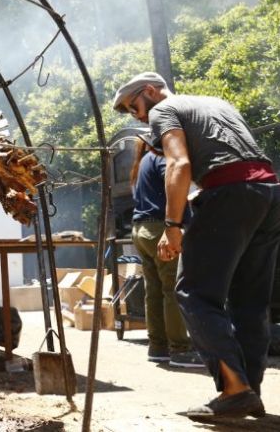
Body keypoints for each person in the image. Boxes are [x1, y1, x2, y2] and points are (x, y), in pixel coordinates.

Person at [113, 71, 280, 420]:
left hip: (231, 194)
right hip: (269, 195)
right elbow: (239, 160)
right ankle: (250, 392)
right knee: (249, 301)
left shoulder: (164, 110)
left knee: (193, 292)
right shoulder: (216, 103)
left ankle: (235, 390)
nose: (138, 116)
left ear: (149, 91)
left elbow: (180, 163)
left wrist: (172, 227)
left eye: (134, 107)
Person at [128, 132, 200, 368]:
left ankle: (157, 347)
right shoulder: (162, 158)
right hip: (160, 229)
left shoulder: (143, 161)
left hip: (140, 230)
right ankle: (180, 349)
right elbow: (174, 187)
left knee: (154, 290)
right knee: (173, 289)